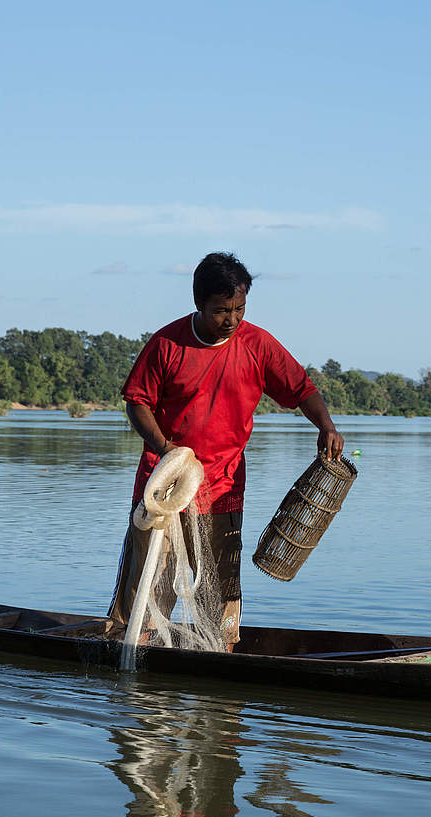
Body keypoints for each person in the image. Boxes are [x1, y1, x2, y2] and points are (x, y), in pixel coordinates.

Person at [108, 251, 343, 651]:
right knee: (149, 576)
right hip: (165, 482)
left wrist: (326, 425)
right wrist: (168, 450)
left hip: (223, 486)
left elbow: (302, 389)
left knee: (219, 578)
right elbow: (137, 402)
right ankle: (133, 647)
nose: (231, 319)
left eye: (239, 308)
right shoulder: (167, 343)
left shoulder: (258, 344)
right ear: (199, 304)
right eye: (220, 311)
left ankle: (219, 649)